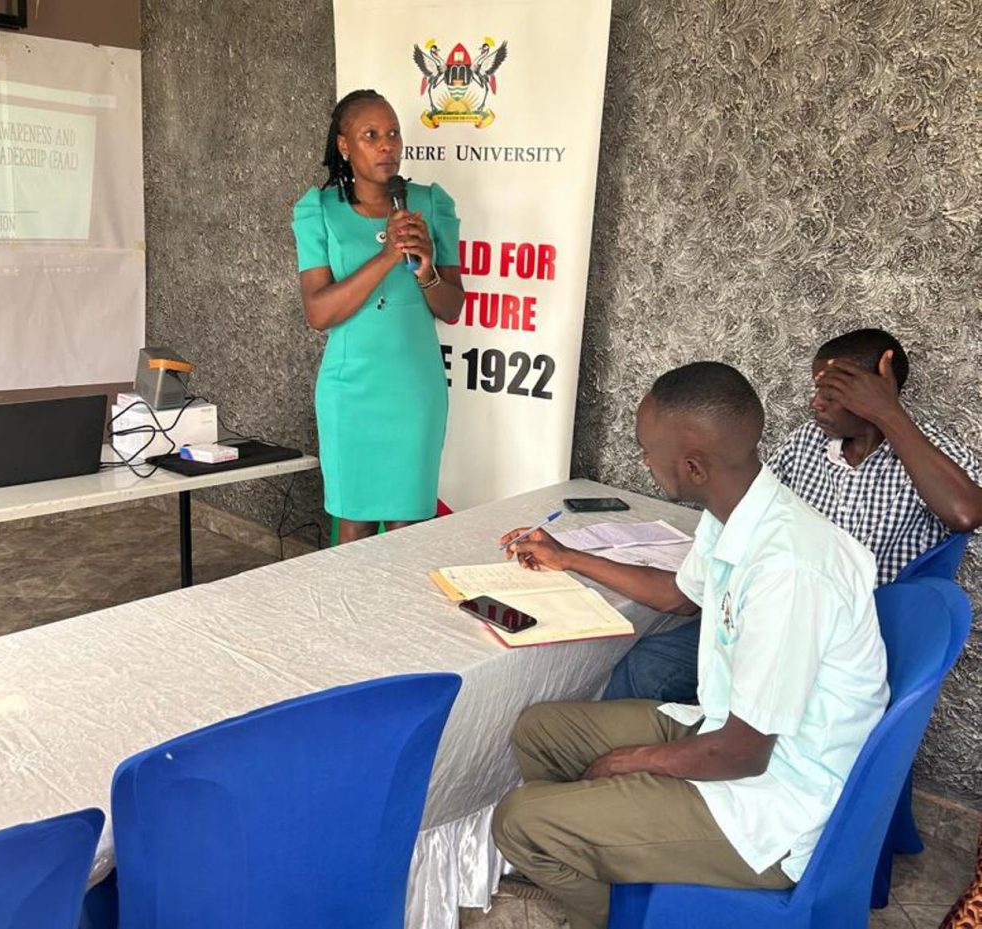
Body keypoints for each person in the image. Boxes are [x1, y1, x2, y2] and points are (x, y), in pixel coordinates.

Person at [492, 362, 888, 929]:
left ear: (693, 466)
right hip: (727, 730)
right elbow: (681, 597)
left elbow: (743, 754)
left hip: (776, 798)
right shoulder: (736, 512)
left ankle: (629, 912)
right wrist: (569, 557)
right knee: (541, 732)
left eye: (646, 450)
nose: (643, 461)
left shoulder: (789, 570)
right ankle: (601, 851)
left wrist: (632, 763)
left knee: (518, 820)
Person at [605, 328, 982, 702]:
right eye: (816, 390)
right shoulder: (807, 442)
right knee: (648, 665)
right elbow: (749, 501)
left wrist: (889, 415)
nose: (816, 404)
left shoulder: (929, 452)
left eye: (833, 393)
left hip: (849, 641)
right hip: (770, 611)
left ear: (879, 391)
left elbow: (966, 514)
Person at [291, 89, 464, 544]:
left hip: (414, 391)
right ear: (345, 146)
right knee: (356, 524)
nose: (387, 145)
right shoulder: (318, 212)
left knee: (410, 527)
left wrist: (426, 270)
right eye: (371, 135)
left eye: (392, 134)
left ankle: (405, 617)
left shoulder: (429, 204)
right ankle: (351, 618)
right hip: (351, 393)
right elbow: (318, 312)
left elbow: (451, 307)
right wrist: (388, 255)